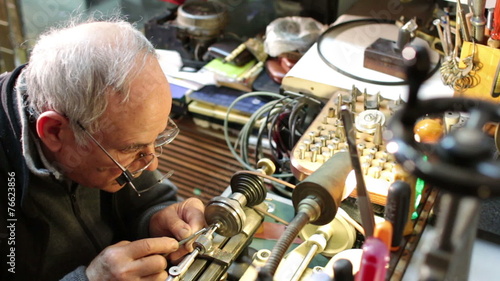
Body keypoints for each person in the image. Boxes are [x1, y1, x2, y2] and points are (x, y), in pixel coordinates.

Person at [0, 16, 206, 280]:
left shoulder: (106, 124)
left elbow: (148, 201)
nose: (151, 163)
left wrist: (155, 219)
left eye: (158, 137)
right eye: (132, 148)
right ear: (54, 132)